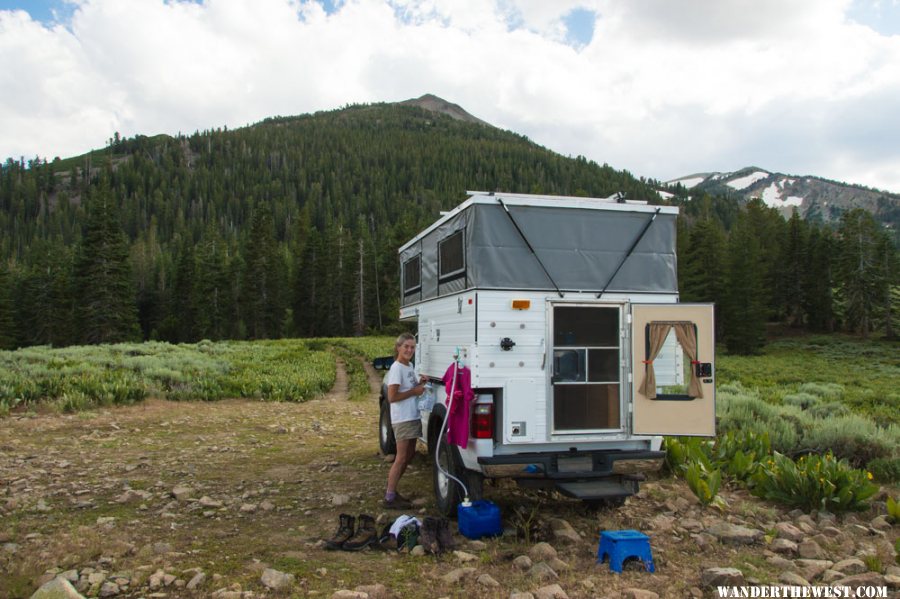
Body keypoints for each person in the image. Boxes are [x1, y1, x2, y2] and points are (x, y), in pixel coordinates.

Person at [384, 332, 427, 509]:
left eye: (412, 347)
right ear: (398, 348)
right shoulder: (397, 368)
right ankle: (389, 496)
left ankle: (394, 492)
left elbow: (410, 386)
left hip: (412, 415)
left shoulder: (409, 366)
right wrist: (414, 392)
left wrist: (420, 382)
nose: (410, 350)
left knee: (409, 455)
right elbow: (392, 397)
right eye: (406, 346)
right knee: (401, 458)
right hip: (402, 418)